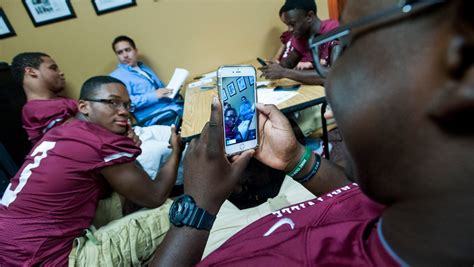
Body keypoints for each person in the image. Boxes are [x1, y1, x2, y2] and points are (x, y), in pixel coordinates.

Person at [152, 0, 474, 265]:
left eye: (347, 46)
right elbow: (354, 198)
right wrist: (295, 158)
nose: (331, 81)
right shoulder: (411, 202)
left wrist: (194, 209)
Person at [0, 76, 183, 265]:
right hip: (44, 258)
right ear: (83, 106)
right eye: (113, 103)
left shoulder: (59, 132)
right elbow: (155, 196)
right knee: (182, 210)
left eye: (127, 106)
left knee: (120, 196)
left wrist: (124, 150)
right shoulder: (99, 142)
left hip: (9, 247)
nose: (123, 112)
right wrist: (176, 151)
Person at [11, 52, 182, 180]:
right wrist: (124, 135)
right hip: (108, 152)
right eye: (53, 68)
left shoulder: (57, 101)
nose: (61, 73)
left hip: (125, 134)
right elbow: (83, 139)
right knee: (165, 150)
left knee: (172, 132)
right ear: (31, 72)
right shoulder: (35, 110)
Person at [260, 0, 339, 85]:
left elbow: (334, 75)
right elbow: (288, 63)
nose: (290, 29)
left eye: (293, 24)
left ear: (309, 16)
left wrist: (284, 72)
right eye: (288, 25)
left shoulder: (334, 31)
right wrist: (273, 67)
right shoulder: (302, 36)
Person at [110, 35, 183, 126]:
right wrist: (154, 95)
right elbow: (126, 104)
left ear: (135, 51)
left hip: (171, 106)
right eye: (120, 52)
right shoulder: (117, 77)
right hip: (156, 117)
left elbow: (159, 89)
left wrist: (172, 90)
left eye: (128, 50)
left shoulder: (144, 68)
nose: (125, 55)